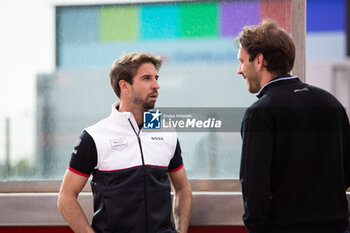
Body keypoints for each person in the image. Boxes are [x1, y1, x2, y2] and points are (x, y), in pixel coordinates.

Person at [57, 52, 192, 233]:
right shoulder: (93, 136)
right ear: (124, 86)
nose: (156, 85)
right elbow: (66, 197)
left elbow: (183, 189)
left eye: (156, 78)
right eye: (146, 78)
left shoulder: (166, 131)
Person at [235, 20, 350, 233]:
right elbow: (346, 172)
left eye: (242, 61)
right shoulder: (332, 104)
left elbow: (254, 186)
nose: (239, 70)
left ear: (259, 60)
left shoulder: (259, 114)